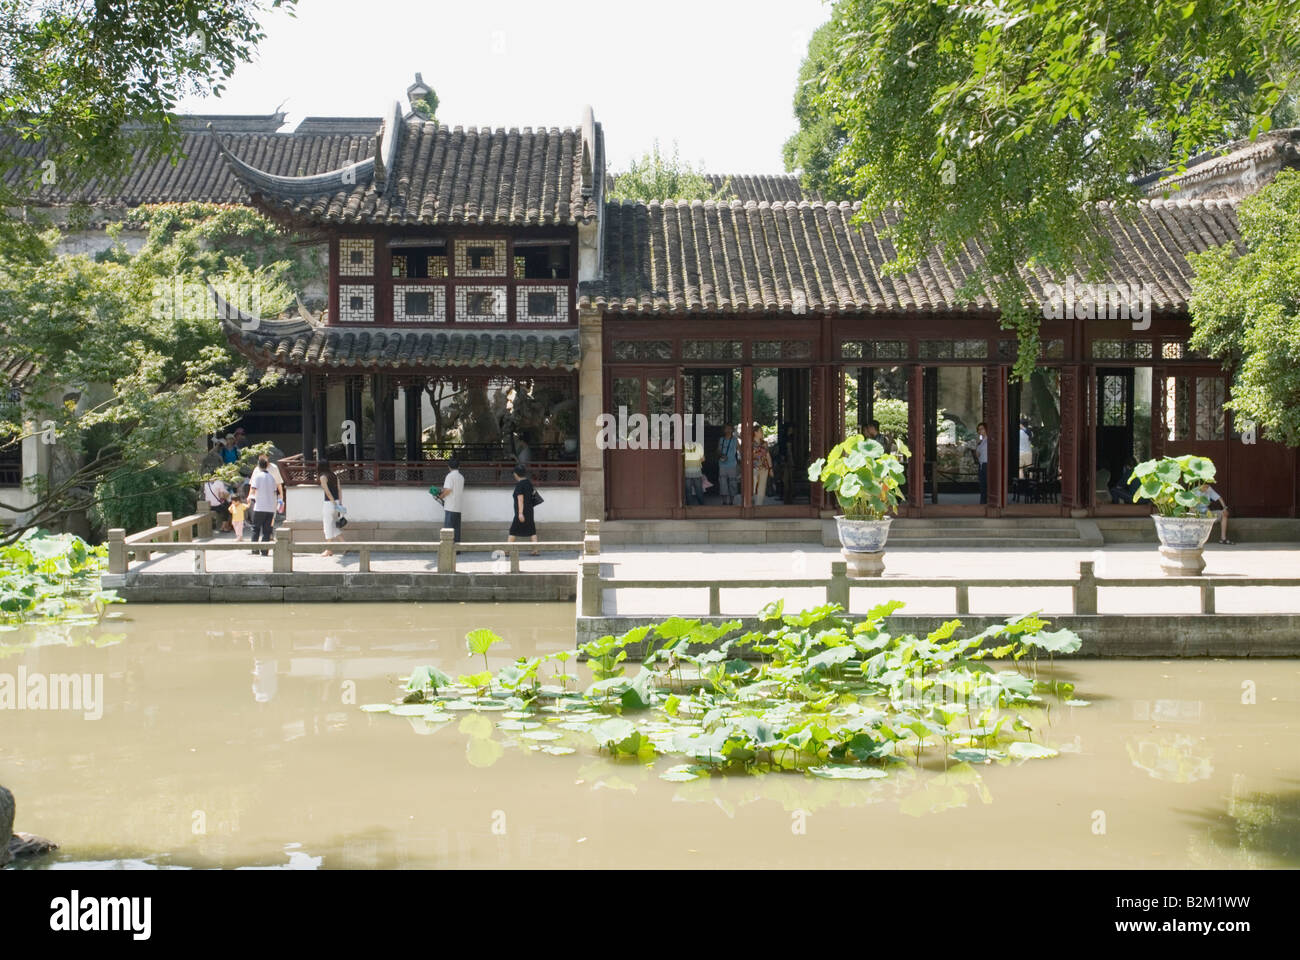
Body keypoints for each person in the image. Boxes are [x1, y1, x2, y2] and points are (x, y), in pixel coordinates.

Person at [248, 455, 279, 555]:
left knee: (256, 528)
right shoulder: (271, 478)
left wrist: (250, 498)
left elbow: (253, 489)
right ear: (267, 465)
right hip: (270, 507)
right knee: (267, 530)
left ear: (258, 465)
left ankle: (255, 549)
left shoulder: (257, 476)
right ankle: (265, 551)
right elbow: (275, 491)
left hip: (260, 506)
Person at [508, 464, 539, 554]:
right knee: (532, 530)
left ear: (516, 474)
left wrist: (520, 513)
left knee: (513, 530)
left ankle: (507, 550)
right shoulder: (528, 483)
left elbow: (520, 499)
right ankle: (535, 549)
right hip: (529, 510)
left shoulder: (520, 485)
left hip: (521, 511)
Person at [435, 457, 465, 542]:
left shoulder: (450, 476)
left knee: (448, 530)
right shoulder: (461, 477)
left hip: (450, 507)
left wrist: (440, 496)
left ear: (449, 467)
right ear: (459, 466)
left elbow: (448, 490)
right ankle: (457, 549)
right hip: (458, 507)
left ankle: (448, 549)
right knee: (456, 529)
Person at [319, 460, 344, 557]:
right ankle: (345, 545)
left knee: (327, 525)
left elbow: (327, 492)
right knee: (333, 526)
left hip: (329, 504)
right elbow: (339, 490)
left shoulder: (323, 477)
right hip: (337, 502)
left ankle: (329, 549)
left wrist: (333, 503)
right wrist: (339, 504)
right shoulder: (334, 475)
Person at [717, 424, 740, 506]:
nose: (728, 430)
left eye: (729, 429)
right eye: (726, 429)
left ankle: (731, 501)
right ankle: (724, 501)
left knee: (732, 482)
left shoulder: (735, 440)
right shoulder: (721, 440)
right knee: (722, 482)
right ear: (724, 430)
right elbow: (718, 450)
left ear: (732, 430)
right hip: (722, 464)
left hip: (732, 464)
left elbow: (739, 450)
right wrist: (721, 455)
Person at [752, 425, 772, 506]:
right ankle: (752, 502)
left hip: (764, 467)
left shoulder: (764, 443)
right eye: (760, 431)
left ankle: (759, 504)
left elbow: (768, 455)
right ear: (755, 432)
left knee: (762, 487)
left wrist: (770, 468)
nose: (762, 433)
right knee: (753, 484)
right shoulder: (750, 443)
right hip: (754, 467)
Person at [970, 422, 989, 504]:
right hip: (981, 465)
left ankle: (987, 503)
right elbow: (977, 455)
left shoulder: (989, 440)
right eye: (978, 429)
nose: (980, 431)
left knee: (987, 485)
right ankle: (982, 503)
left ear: (986, 429)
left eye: (982, 429)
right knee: (982, 486)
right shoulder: (981, 442)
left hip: (987, 465)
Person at [683, 439, 704, 506]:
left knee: (688, 491)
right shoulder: (699, 445)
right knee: (699, 490)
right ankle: (701, 506)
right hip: (697, 471)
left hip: (687, 471)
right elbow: (703, 459)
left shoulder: (683, 445)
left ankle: (689, 507)